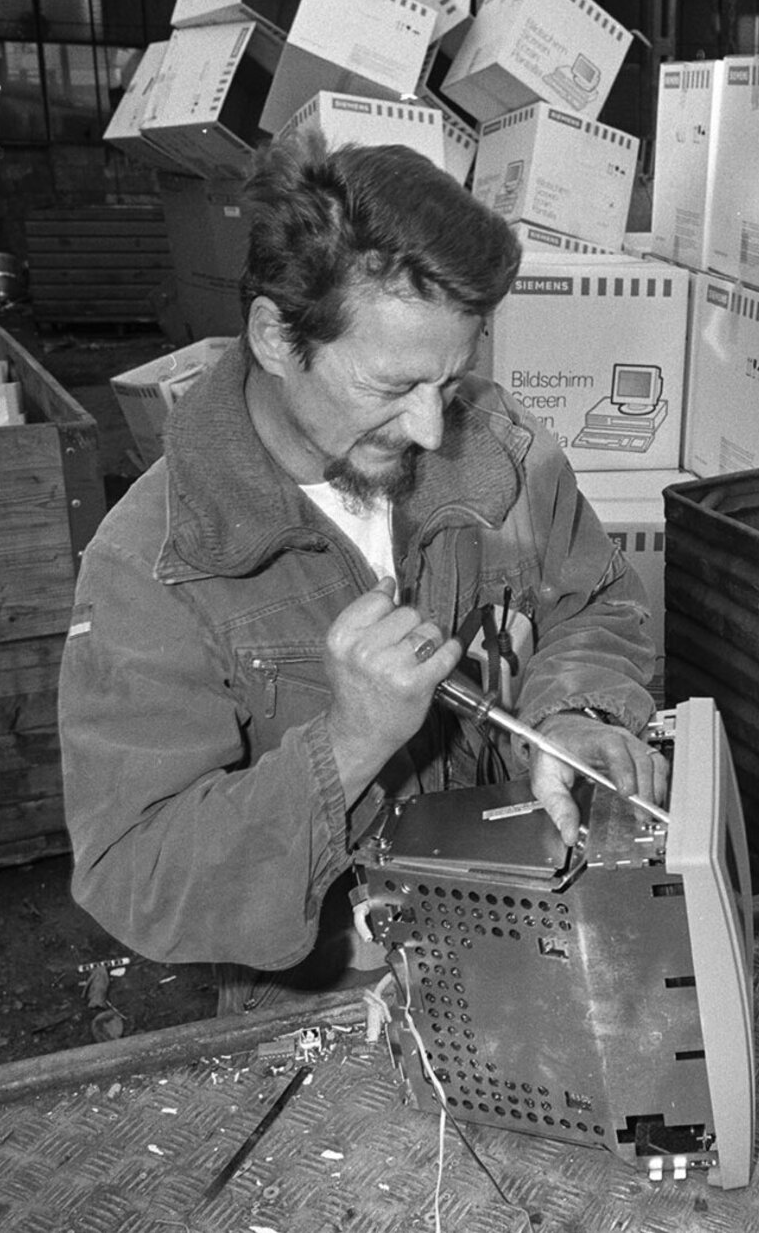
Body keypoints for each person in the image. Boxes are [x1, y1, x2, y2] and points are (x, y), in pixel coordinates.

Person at [58, 136, 667, 1012]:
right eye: (390, 386)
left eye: (449, 379)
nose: (429, 427)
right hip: (324, 1002)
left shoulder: (497, 449)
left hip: (526, 934)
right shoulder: (154, 566)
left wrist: (569, 712)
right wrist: (347, 743)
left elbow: (594, 601)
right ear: (276, 335)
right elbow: (140, 879)